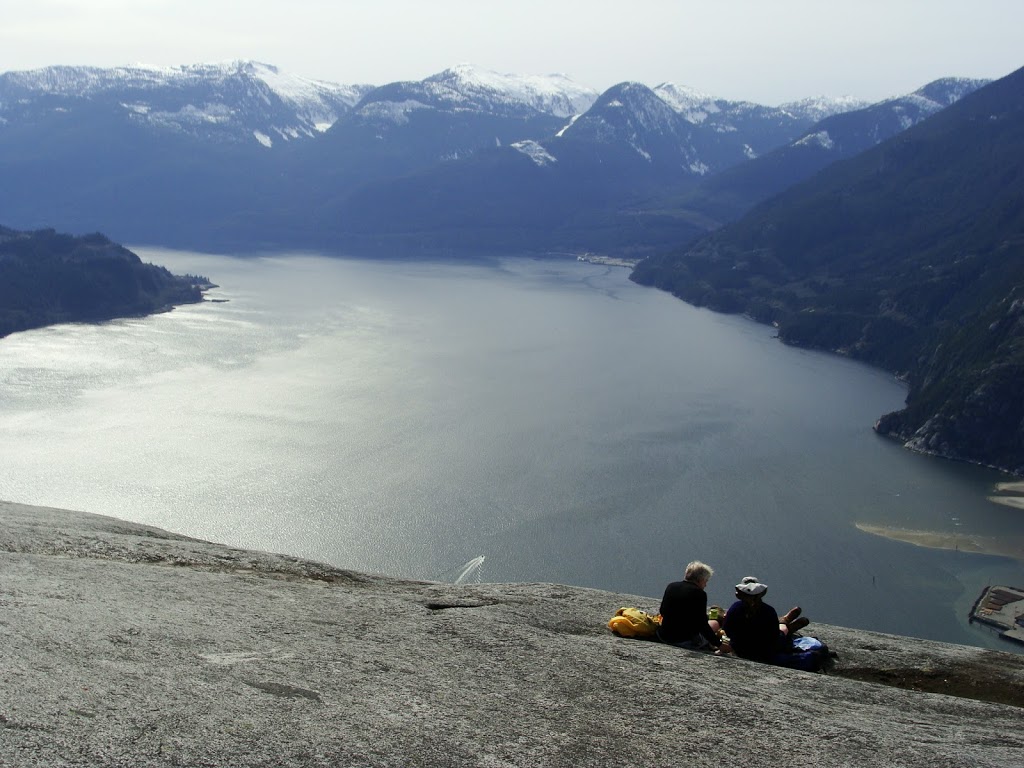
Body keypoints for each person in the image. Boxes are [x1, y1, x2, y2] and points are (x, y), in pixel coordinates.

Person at [722, 576, 809, 662]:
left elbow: (727, 629)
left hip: (740, 649)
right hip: (765, 652)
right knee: (781, 633)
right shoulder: (769, 611)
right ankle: (786, 624)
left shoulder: (735, 608)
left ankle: (785, 622)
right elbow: (774, 636)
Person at [658, 561, 731, 653]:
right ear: (700, 580)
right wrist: (719, 644)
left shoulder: (671, 586)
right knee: (714, 623)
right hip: (684, 641)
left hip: (664, 635)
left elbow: (662, 611)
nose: (706, 584)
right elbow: (702, 625)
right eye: (706, 581)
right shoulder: (699, 594)